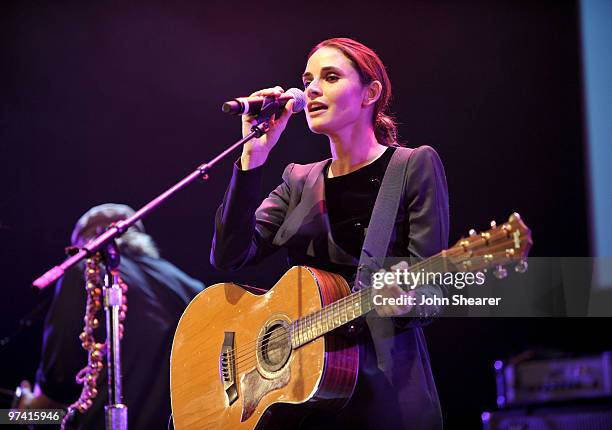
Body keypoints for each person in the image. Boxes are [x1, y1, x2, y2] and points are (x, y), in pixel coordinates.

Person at [211, 38, 449, 429]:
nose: (312, 89)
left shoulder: (413, 166)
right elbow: (229, 256)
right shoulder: (298, 180)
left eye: (331, 77)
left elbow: (432, 292)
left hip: (384, 396)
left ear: (370, 93)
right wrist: (254, 156)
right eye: (307, 81)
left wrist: (400, 302)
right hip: (301, 400)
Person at [18, 203, 204, 429]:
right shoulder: (194, 289)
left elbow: (58, 385)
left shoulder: (86, 269)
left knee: (9, 418)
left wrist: (25, 411)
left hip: (102, 423)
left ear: (86, 242)